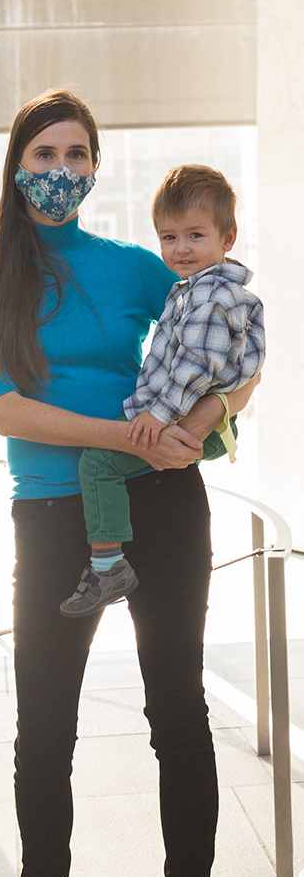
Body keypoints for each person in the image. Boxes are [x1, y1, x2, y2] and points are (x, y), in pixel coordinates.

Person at [0, 89, 258, 877]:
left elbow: (235, 355)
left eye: (77, 155)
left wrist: (207, 417)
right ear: (17, 165)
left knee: (179, 716)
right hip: (52, 516)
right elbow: (7, 409)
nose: (61, 170)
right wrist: (126, 438)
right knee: (44, 732)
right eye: (45, 155)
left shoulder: (138, 267)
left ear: (94, 166)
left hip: (161, 501)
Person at [60, 164, 265, 618]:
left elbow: (196, 364)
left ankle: (108, 563)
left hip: (178, 418)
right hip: (176, 414)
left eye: (195, 235)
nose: (181, 249)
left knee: (97, 463)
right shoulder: (195, 290)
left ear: (227, 238)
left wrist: (157, 415)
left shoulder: (211, 297)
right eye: (169, 237)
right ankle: (110, 559)